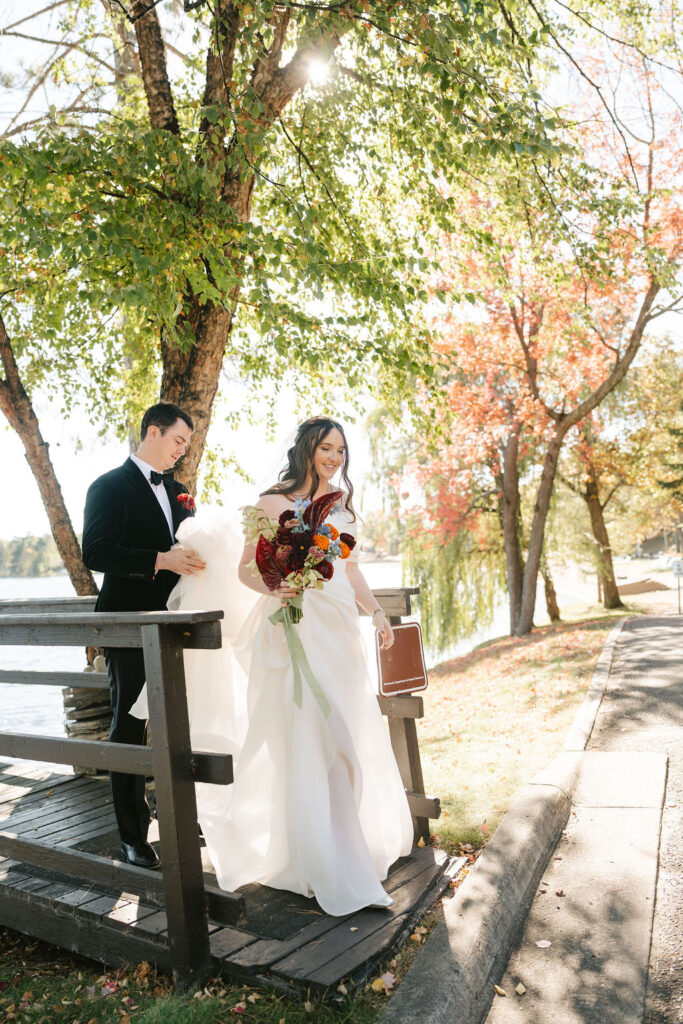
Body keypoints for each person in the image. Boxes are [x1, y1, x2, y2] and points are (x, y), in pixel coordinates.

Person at [152, 416, 414, 915]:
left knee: (348, 735)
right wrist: (279, 586)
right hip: (295, 628)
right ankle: (333, 866)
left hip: (338, 632)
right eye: (326, 448)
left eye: (341, 450)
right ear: (307, 449)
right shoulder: (272, 502)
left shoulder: (341, 506)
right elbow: (248, 569)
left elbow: (352, 573)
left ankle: (340, 849)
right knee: (315, 737)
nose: (335, 458)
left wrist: (377, 614)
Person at [82, 402, 206, 870]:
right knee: (129, 727)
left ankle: (180, 815)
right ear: (153, 432)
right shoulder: (108, 486)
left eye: (187, 446)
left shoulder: (179, 492)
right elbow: (95, 549)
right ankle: (131, 836)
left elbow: (187, 547)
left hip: (176, 623)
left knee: (179, 721)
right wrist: (160, 559)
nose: (181, 452)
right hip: (126, 622)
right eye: (178, 441)